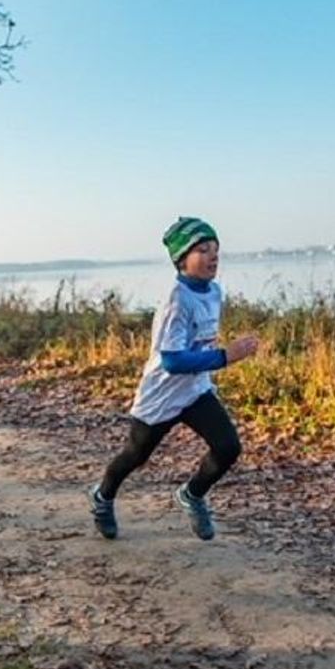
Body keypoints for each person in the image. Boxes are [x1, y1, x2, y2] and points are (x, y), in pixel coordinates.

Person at [87, 217, 259, 541]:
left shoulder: (214, 292)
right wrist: (226, 356)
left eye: (216, 249)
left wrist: (216, 363)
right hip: (162, 393)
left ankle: (192, 495)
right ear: (182, 260)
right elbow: (172, 360)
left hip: (194, 390)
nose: (213, 256)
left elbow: (200, 343)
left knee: (228, 447)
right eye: (203, 250)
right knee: (135, 455)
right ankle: (103, 496)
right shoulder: (175, 300)